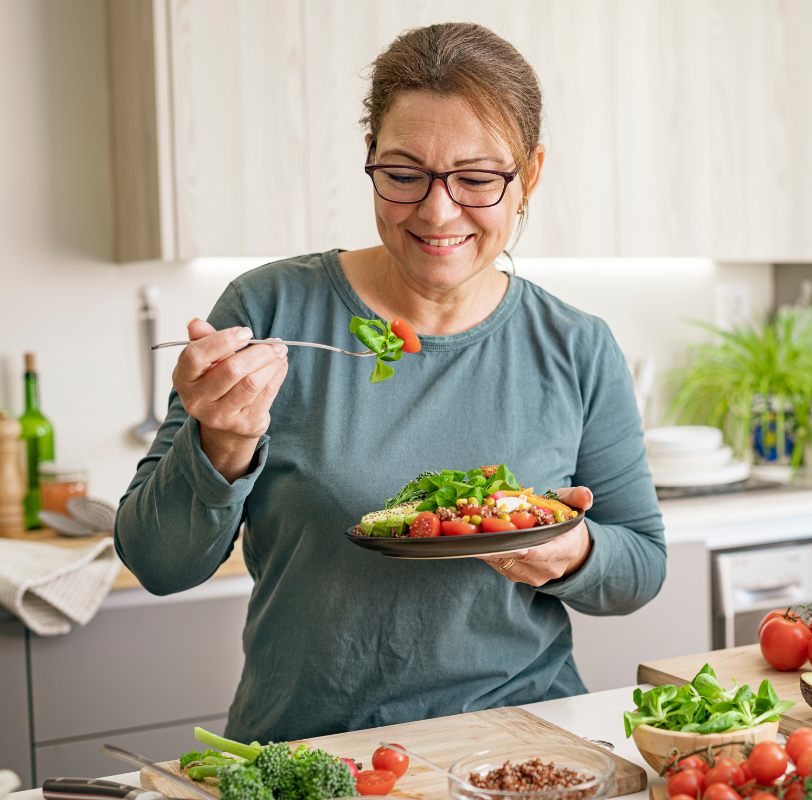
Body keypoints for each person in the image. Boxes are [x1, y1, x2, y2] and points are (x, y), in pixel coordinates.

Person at [114, 22, 665, 742]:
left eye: (476, 178)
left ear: (529, 174)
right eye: (404, 174)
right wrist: (219, 443)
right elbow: (157, 563)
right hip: (313, 755)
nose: (438, 212)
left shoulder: (576, 345)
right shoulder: (269, 312)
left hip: (519, 745)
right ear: (369, 158)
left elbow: (641, 564)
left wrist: (573, 552)